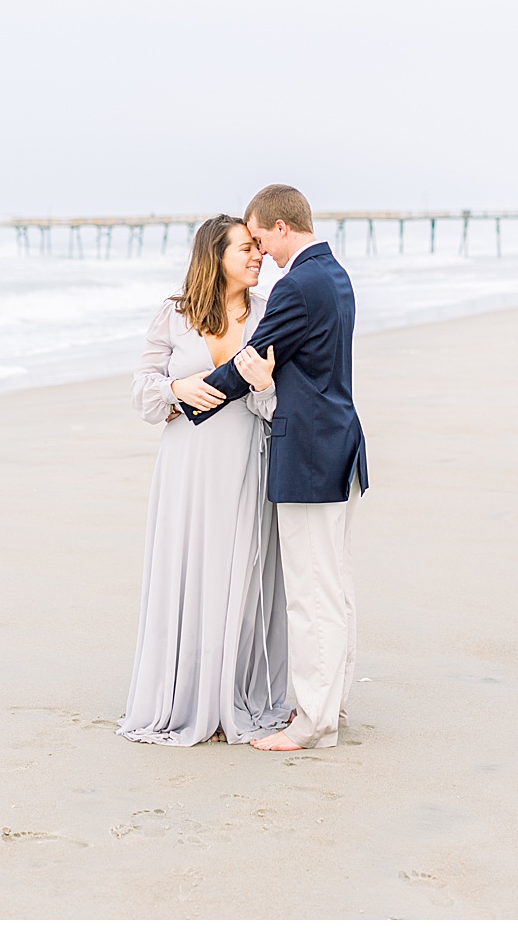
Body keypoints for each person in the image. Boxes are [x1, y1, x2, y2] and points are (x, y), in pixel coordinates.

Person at [183, 184, 368, 751]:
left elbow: (251, 359)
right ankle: (329, 702)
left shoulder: (298, 286)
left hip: (310, 456)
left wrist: (188, 398)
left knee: (311, 593)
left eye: (259, 237)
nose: (260, 251)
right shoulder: (334, 275)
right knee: (333, 588)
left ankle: (313, 724)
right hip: (338, 447)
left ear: (280, 227)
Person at [121, 214, 290, 745]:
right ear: (214, 255)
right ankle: (187, 697)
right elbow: (143, 392)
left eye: (258, 248)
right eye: (245, 248)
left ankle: (231, 699)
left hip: (245, 460)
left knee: (240, 572)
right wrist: (177, 387)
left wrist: (264, 387)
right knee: (189, 569)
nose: (257, 255)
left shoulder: (269, 315)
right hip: (186, 467)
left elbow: (277, 404)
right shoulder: (176, 315)